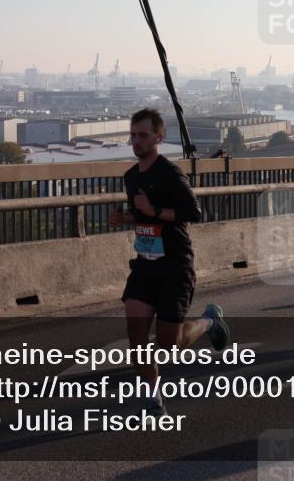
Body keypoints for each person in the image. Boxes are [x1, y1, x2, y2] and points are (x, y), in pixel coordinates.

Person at [109, 108, 229, 414]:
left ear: (158, 138)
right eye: (133, 135)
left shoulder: (170, 173)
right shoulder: (131, 177)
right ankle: (153, 400)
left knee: (169, 346)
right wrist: (126, 217)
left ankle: (209, 322)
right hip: (146, 264)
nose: (137, 141)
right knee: (135, 332)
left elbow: (193, 213)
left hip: (175, 264)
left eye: (143, 135)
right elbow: (141, 215)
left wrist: (153, 212)